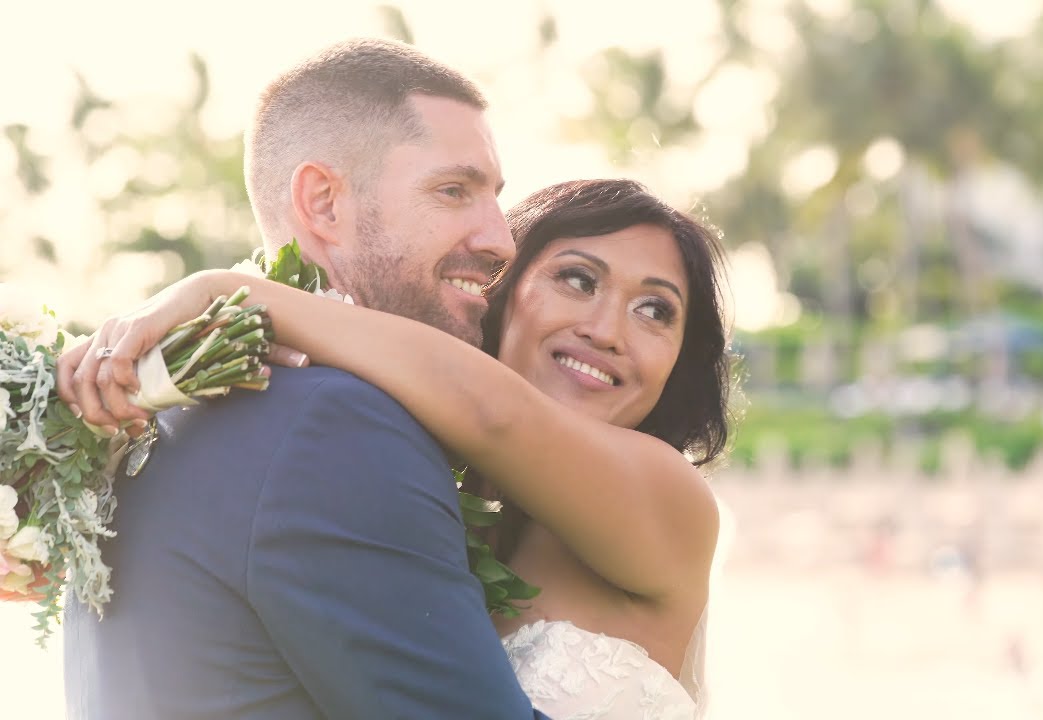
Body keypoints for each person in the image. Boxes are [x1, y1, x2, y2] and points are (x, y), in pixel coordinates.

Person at [64, 178, 731, 719]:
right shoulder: (421, 491)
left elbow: (494, 414)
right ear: (498, 294)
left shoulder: (668, 497)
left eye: (655, 311)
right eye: (579, 280)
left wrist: (223, 293)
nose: (607, 330)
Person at [53, 38, 549, 719]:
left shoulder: (169, 411)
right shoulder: (335, 424)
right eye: (453, 191)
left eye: (494, 197)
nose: (501, 240)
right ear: (323, 203)